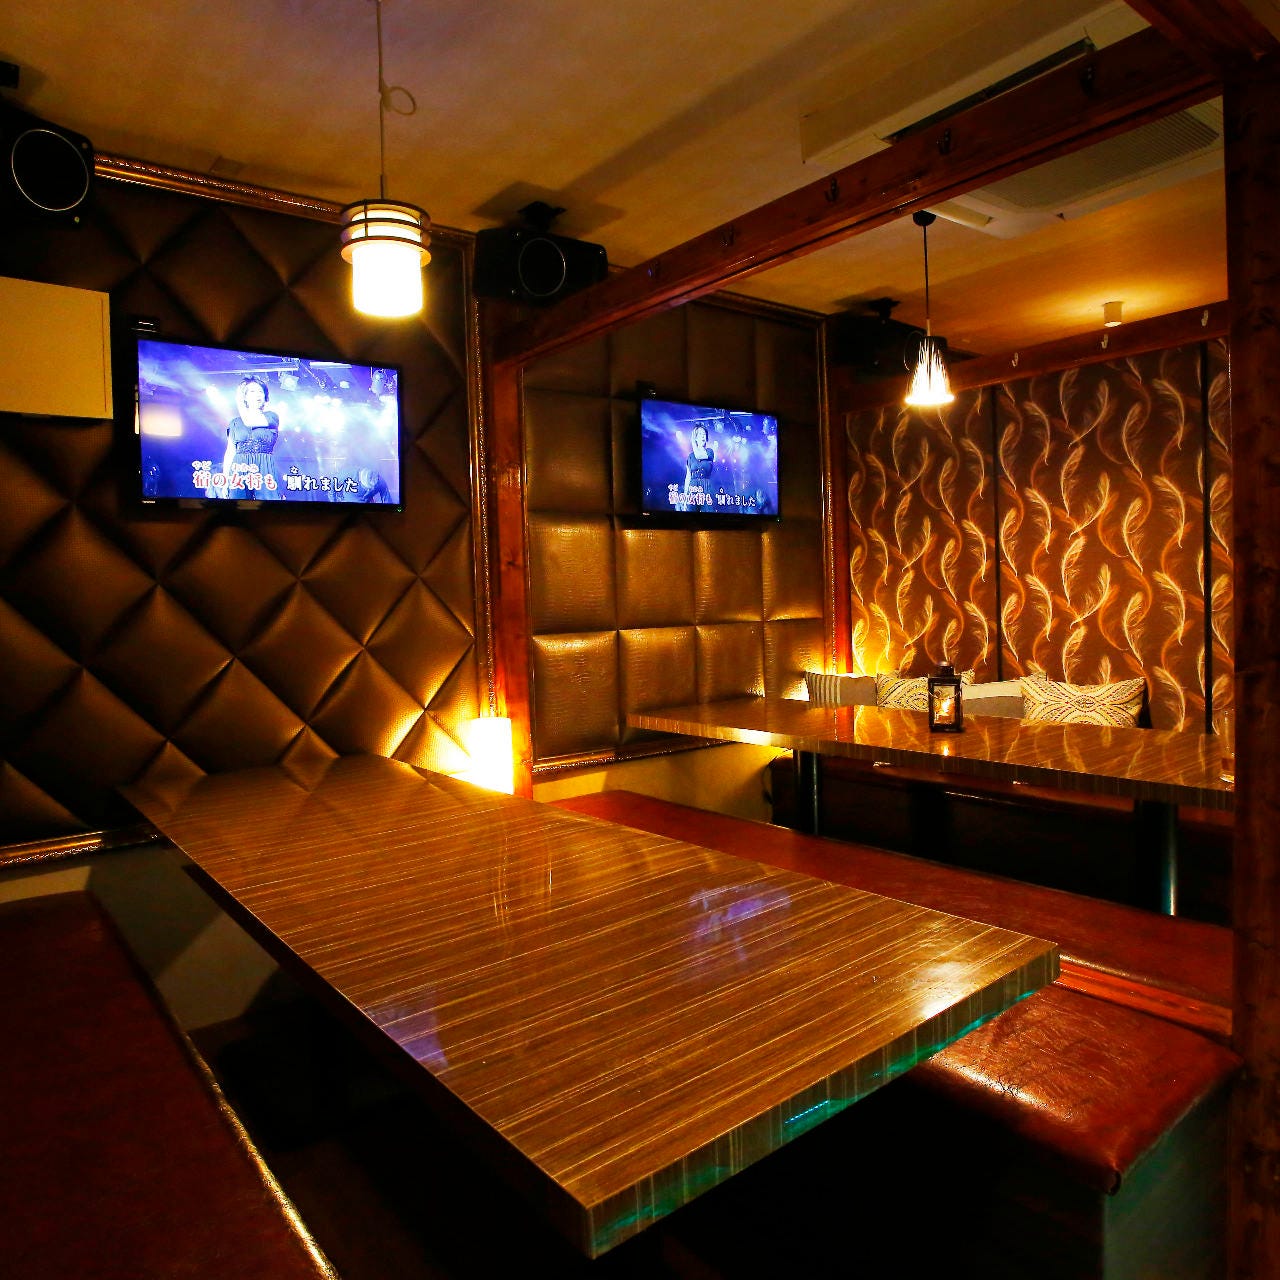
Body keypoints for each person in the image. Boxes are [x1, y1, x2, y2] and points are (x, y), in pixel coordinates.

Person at [219, 375, 282, 499]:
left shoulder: (271, 417)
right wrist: (225, 480)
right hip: (239, 467)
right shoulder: (235, 423)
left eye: (260, 391)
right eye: (252, 391)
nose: (257, 394)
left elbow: (249, 421)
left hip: (265, 467)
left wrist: (238, 401)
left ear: (265, 397)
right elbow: (230, 452)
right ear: (245, 397)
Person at [682, 423, 715, 509]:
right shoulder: (690, 456)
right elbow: (688, 477)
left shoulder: (709, 452)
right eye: (700, 434)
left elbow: (698, 455)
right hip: (693, 487)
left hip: (706, 487)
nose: (703, 436)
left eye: (704, 434)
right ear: (696, 438)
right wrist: (685, 497)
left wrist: (693, 442)